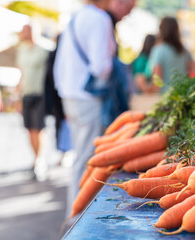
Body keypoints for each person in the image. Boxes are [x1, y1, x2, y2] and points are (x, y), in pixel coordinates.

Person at [54, 0, 134, 218]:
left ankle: (77, 213)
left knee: (83, 156)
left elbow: (58, 65)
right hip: (89, 98)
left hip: (71, 96)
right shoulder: (99, 19)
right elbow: (101, 67)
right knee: (90, 159)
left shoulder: (77, 16)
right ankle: (78, 216)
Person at [16, 24, 49, 180]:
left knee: (38, 129)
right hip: (26, 94)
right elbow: (22, 73)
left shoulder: (44, 49)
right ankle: (35, 159)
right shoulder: (21, 50)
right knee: (30, 129)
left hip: (39, 94)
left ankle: (39, 159)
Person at [148, 16, 195, 93]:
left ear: (161, 30)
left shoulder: (158, 50)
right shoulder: (185, 51)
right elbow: (194, 73)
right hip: (183, 95)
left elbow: (157, 81)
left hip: (165, 97)